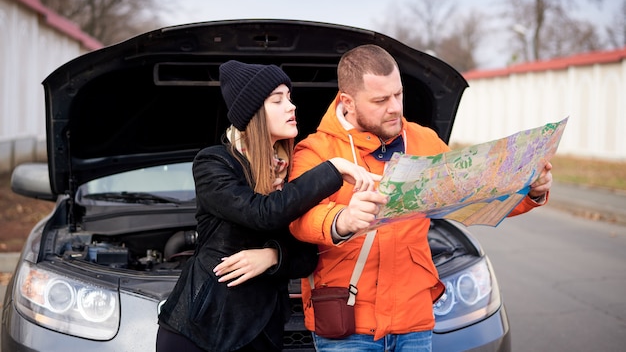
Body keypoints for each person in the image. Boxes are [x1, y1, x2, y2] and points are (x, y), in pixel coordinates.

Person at [289, 44, 553, 351]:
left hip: (414, 319)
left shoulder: (424, 140)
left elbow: (476, 194)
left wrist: (530, 190)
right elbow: (297, 218)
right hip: (348, 324)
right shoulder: (315, 151)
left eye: (398, 94)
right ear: (347, 101)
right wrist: (341, 219)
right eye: (380, 100)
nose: (395, 107)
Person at [157, 60, 380, 352]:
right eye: (278, 100)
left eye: (289, 97)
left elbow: (308, 255)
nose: (292, 106)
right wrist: (333, 168)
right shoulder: (214, 163)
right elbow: (261, 213)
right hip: (201, 331)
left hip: (263, 333)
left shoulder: (292, 172)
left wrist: (272, 256)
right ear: (253, 113)